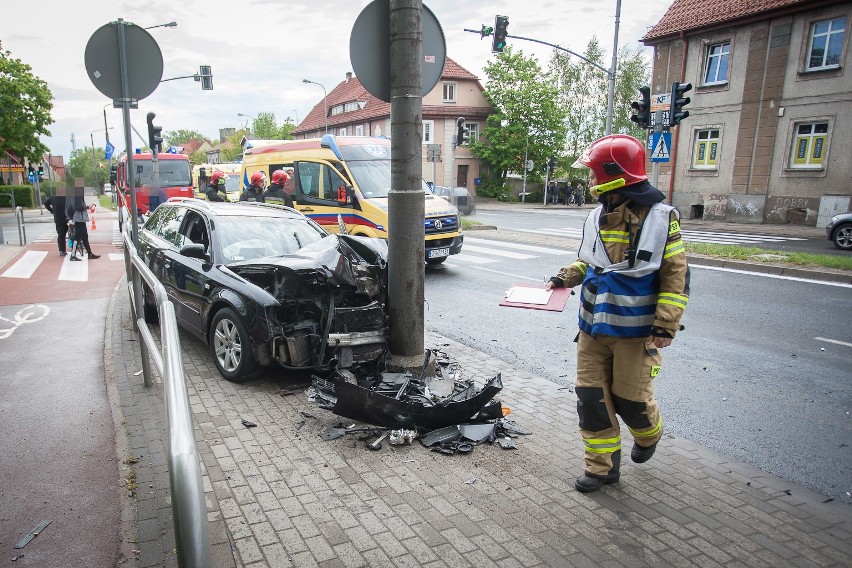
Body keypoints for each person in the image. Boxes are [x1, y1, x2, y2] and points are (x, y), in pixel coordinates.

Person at [544, 134, 689, 493]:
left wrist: (666, 325)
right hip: (592, 330)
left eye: (594, 173)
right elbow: (591, 260)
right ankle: (602, 468)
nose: (590, 180)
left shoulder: (661, 217)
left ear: (616, 175)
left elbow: (675, 275)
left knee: (632, 401)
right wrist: (564, 277)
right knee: (591, 401)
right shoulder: (596, 216)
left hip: (636, 333)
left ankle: (649, 433)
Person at [64, 185, 100, 260]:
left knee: (84, 237)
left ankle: (89, 253)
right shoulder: (77, 195)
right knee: (77, 237)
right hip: (79, 218)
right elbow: (78, 207)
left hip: (80, 218)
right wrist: (87, 207)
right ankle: (73, 255)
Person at [43, 184, 69, 256]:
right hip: (67, 217)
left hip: (58, 218)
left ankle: (62, 250)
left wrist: (52, 210)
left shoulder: (53, 198)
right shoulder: (66, 197)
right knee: (71, 232)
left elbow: (45, 203)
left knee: (61, 235)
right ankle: (75, 246)